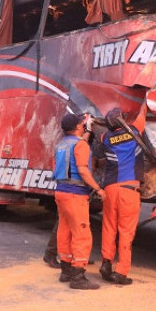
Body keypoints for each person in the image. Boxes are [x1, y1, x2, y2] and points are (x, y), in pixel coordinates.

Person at [53, 112, 103, 290]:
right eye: (82, 125)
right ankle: (78, 276)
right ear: (77, 128)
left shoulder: (61, 144)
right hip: (76, 194)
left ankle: (65, 271)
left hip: (61, 192)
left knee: (64, 231)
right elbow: (82, 169)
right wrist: (97, 188)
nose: (83, 127)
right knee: (82, 233)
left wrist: (86, 132)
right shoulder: (80, 145)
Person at [98, 104, 147, 285]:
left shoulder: (105, 137)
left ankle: (106, 263)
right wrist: (145, 101)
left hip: (110, 188)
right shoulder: (135, 131)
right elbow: (143, 113)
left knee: (109, 227)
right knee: (126, 232)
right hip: (129, 189)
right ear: (122, 120)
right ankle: (120, 272)